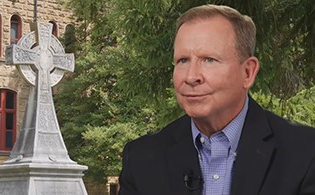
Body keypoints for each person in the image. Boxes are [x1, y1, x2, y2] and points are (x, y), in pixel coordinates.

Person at [118, 4, 315, 195]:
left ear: (248, 72)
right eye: (183, 60)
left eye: (209, 60)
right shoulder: (141, 159)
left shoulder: (305, 154)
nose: (191, 76)